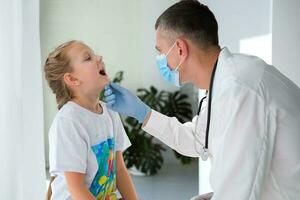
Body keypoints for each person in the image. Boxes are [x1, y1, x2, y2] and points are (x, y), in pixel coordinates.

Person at [104, 1, 300, 200]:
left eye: (161, 51)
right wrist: (143, 113)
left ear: (180, 48)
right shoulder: (224, 83)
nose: (160, 59)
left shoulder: (241, 89)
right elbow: (197, 140)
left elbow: (237, 193)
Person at [44, 40, 138, 200]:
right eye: (88, 58)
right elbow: (77, 189)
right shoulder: (69, 121)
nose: (99, 57)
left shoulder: (109, 111)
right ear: (72, 79)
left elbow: (120, 169)